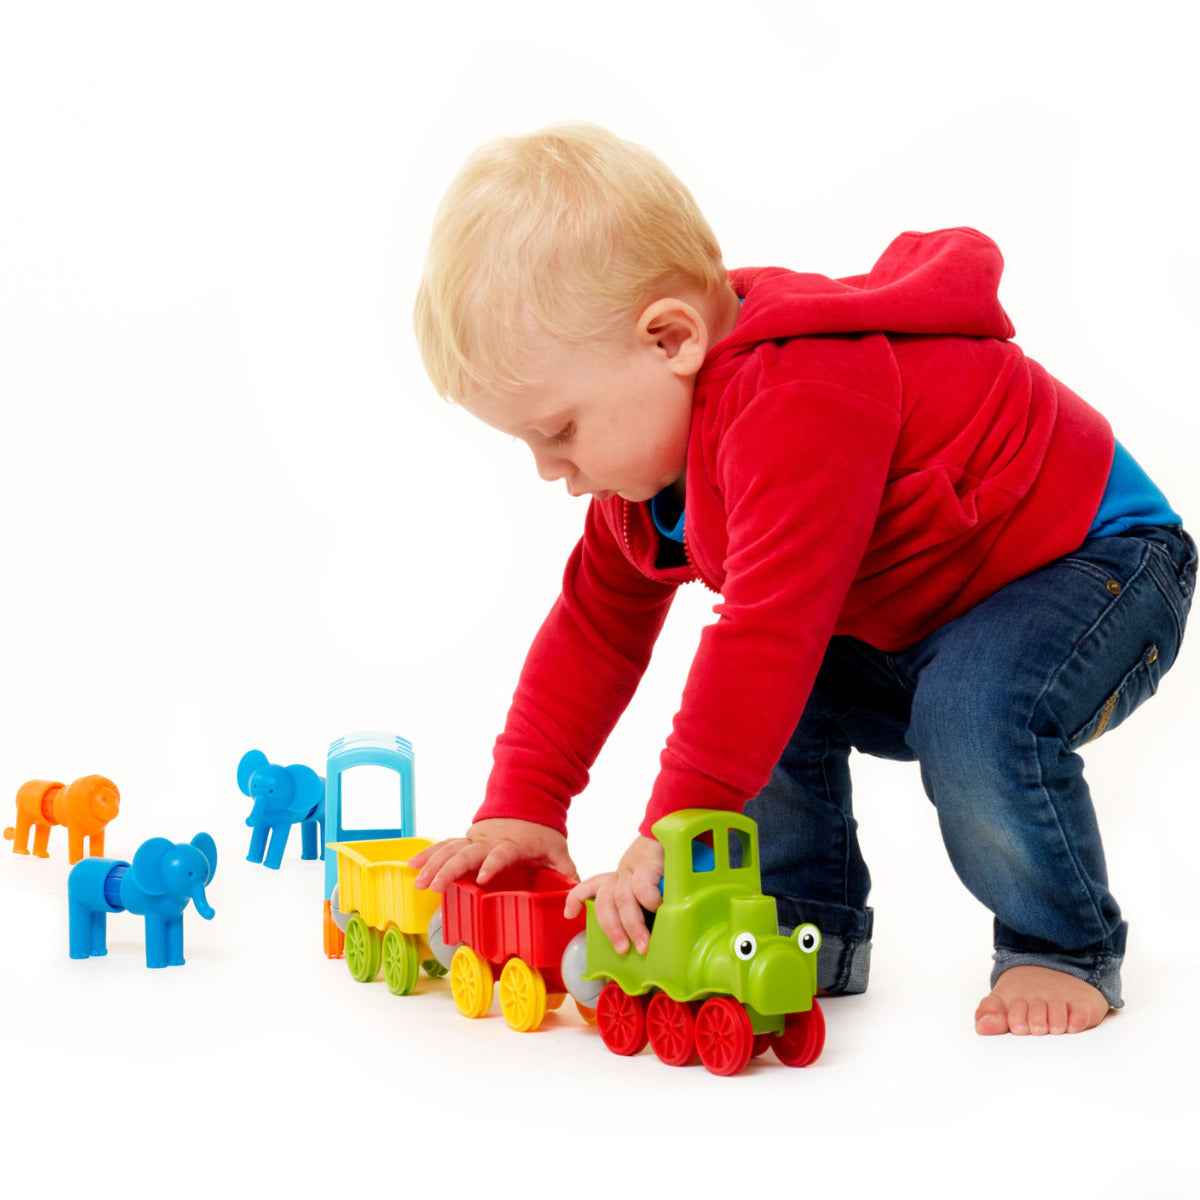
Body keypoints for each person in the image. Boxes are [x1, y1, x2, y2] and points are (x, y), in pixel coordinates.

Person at [409, 122, 1195, 1036]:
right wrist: (523, 806)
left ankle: (1062, 947)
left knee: (964, 708)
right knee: (771, 706)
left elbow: (766, 633)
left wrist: (671, 834)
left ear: (670, 340)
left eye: (560, 431)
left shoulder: (799, 397)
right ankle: (799, 927)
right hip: (929, 614)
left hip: (1099, 569)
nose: (552, 469)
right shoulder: (648, 481)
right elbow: (592, 630)